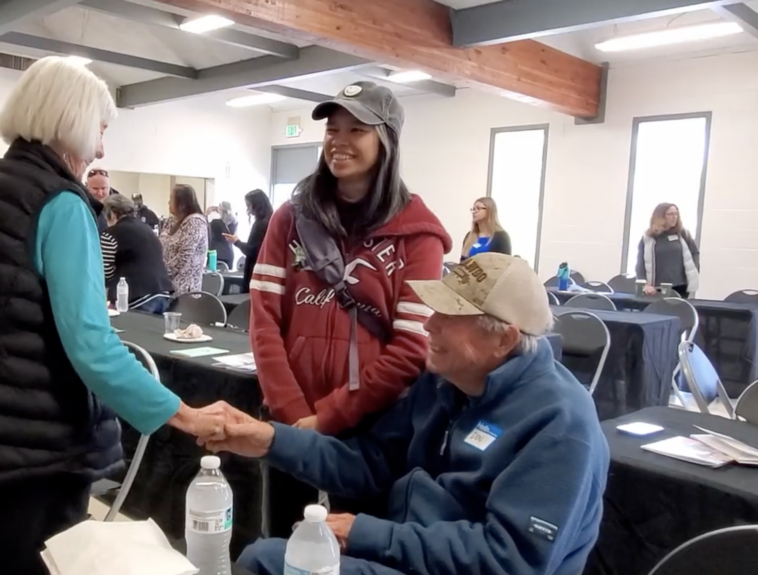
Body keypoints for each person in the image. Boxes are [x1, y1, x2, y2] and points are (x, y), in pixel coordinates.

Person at [0, 57, 222, 575]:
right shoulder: (61, 205)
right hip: (29, 450)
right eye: (100, 128)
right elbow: (91, 344)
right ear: (70, 120)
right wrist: (184, 415)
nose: (101, 146)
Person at [202, 253, 609, 575]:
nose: (429, 324)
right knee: (267, 559)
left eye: (450, 316)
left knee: (270, 562)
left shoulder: (561, 424)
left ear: (503, 339)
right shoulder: (444, 383)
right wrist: (271, 440)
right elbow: (371, 462)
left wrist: (368, 534)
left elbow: (510, 560)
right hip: (408, 556)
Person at [248, 82, 451, 536]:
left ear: (387, 141)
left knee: (356, 545)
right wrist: (292, 413)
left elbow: (412, 349)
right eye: (332, 128)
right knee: (283, 542)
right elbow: (264, 319)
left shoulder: (419, 236)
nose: (339, 140)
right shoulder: (291, 217)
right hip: (288, 419)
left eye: (357, 129)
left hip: (373, 430)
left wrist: (330, 416)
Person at [100, 193, 173, 312]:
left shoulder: (111, 233)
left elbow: (106, 271)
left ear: (112, 214)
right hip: (163, 291)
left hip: (136, 294)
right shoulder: (146, 228)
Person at [635, 202, 699, 298]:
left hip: (681, 286)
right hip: (655, 287)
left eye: (676, 214)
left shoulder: (683, 233)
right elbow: (640, 263)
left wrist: (694, 272)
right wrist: (645, 284)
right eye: (670, 214)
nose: (674, 217)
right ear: (660, 216)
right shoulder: (648, 237)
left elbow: (694, 253)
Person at [159, 184, 209, 294]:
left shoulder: (195, 222)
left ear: (182, 204)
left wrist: (161, 274)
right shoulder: (170, 221)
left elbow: (183, 256)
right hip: (165, 285)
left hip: (185, 289)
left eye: (171, 199)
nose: (168, 202)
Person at [223, 189, 272, 286]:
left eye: (249, 205)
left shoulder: (262, 224)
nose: (248, 209)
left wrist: (237, 242)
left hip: (255, 272)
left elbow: (253, 250)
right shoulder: (268, 221)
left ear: (257, 205)